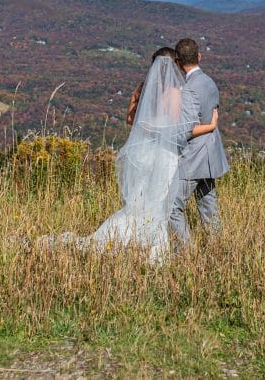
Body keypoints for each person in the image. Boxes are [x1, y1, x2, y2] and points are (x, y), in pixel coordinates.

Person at [46, 49, 218, 263]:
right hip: (162, 154)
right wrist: (209, 125)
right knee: (159, 201)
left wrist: (147, 127)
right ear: (175, 65)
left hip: (143, 152)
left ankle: (125, 238)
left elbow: (131, 120)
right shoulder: (174, 91)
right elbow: (174, 129)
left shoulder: (144, 88)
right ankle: (156, 246)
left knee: (140, 202)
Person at [168, 38, 229, 247]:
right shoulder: (209, 81)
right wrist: (211, 126)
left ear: (177, 62)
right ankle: (217, 248)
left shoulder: (189, 89)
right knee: (208, 204)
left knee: (172, 207)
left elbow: (186, 129)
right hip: (210, 154)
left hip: (194, 157)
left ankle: (186, 251)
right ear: (199, 56)